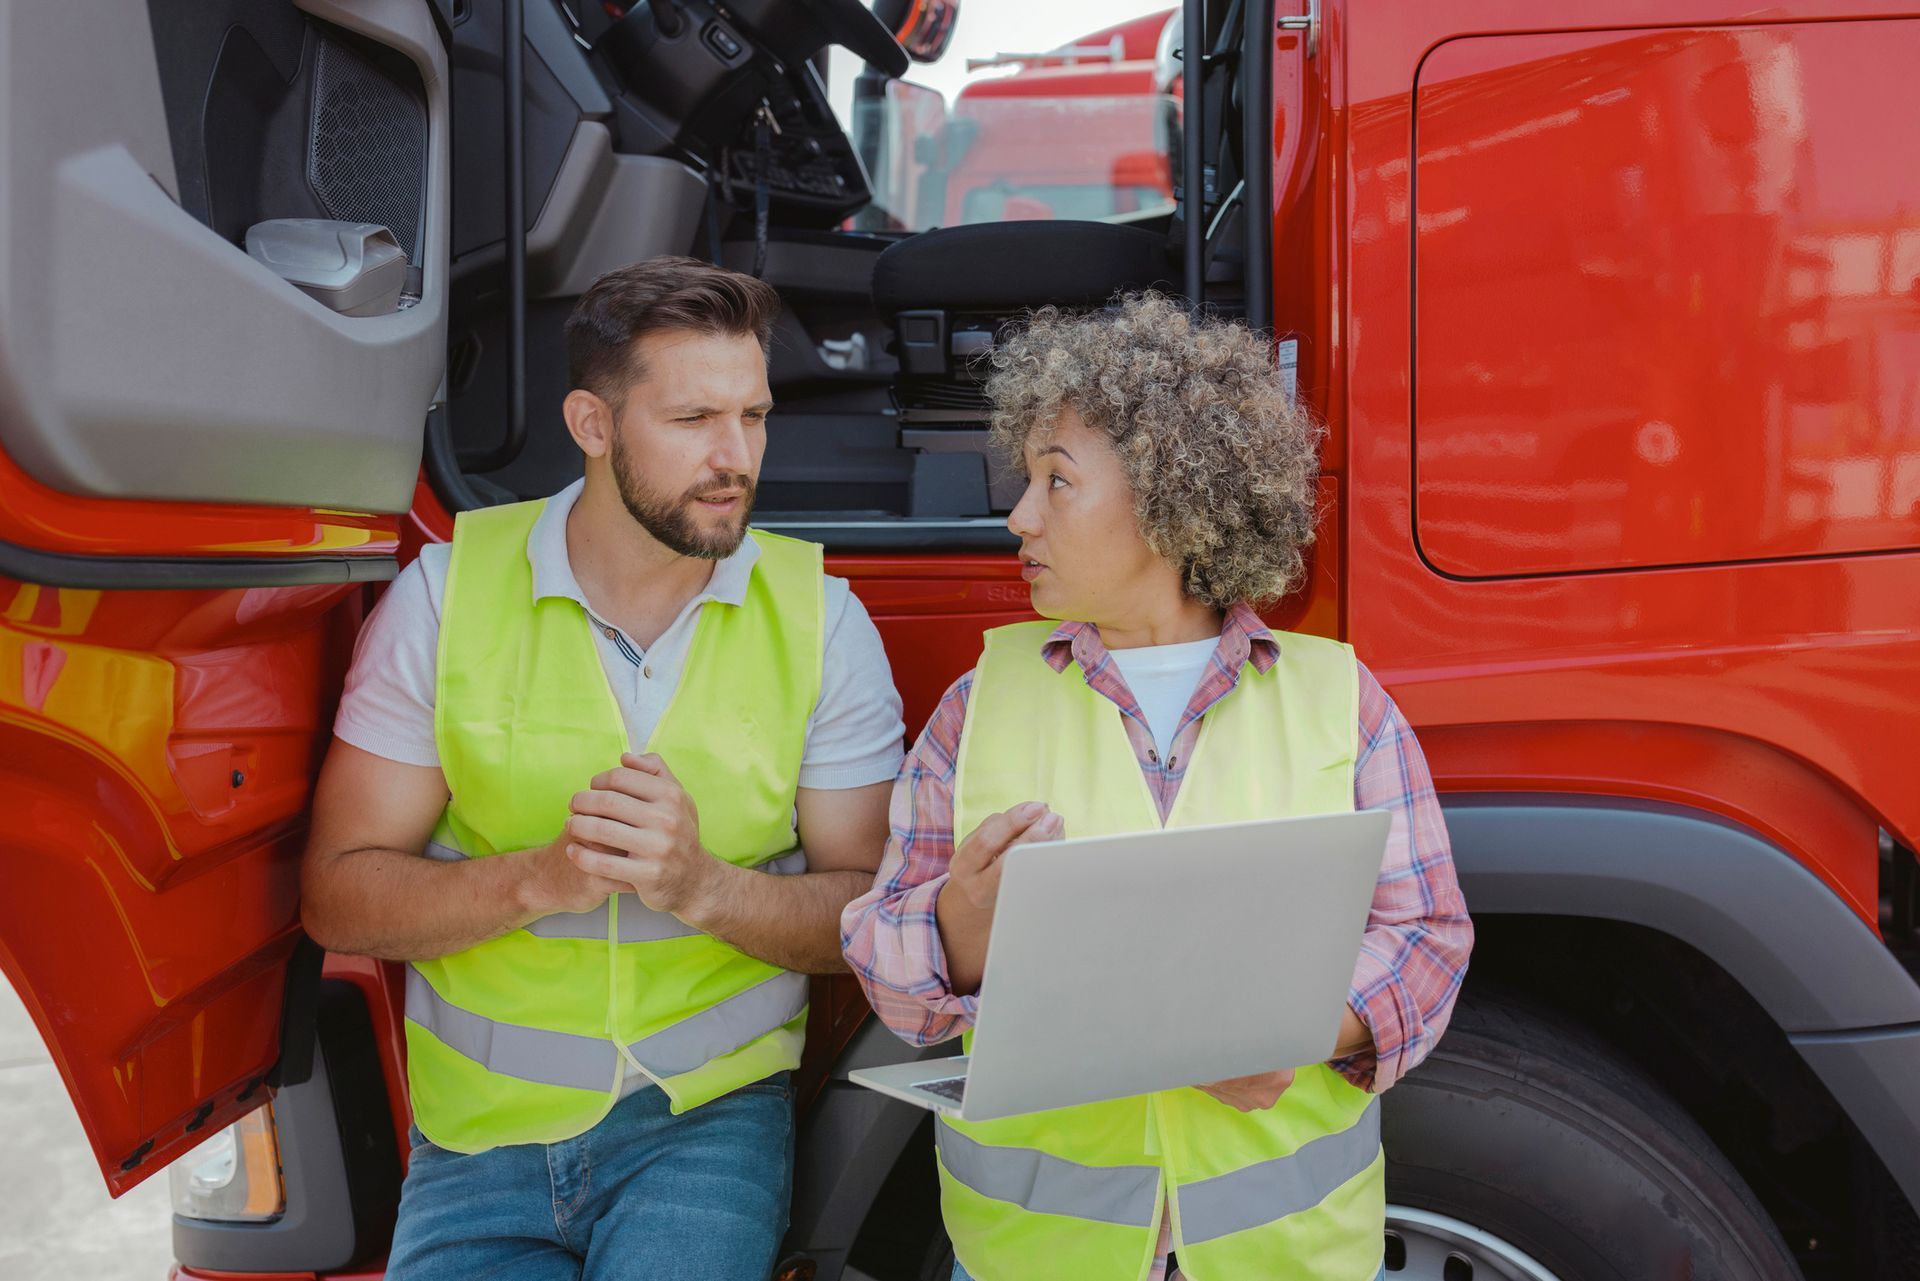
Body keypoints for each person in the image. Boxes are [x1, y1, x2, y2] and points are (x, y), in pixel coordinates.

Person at [841, 292, 1473, 1281]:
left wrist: (1304, 1034)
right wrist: (959, 925)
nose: (1018, 517)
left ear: (1173, 497)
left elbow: (1427, 937)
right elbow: (885, 963)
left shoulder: (1341, 703)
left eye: (1058, 482)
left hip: (1284, 1261)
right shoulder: (978, 706)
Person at [301, 257, 905, 1280]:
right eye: (694, 421)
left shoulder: (822, 620)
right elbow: (337, 898)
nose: (736, 457)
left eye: (754, 416)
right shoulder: (446, 599)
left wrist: (702, 888)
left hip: (704, 1126)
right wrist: (543, 878)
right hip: (474, 1141)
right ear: (591, 423)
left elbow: (871, 920)